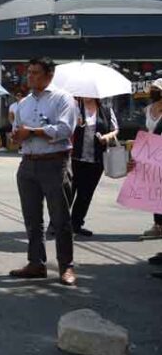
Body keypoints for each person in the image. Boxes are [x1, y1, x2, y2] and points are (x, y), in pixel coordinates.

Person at [8, 57, 79, 286]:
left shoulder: (63, 98)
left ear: (49, 75)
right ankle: (36, 263)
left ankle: (66, 266)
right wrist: (16, 136)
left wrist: (33, 132)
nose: (30, 77)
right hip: (28, 163)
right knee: (32, 219)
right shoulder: (24, 103)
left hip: (55, 163)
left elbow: (65, 129)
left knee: (60, 219)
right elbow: (18, 132)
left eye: (36, 73)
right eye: (28, 72)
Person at [68, 97, 118, 238]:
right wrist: (73, 124)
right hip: (75, 157)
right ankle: (58, 224)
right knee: (69, 192)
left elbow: (115, 129)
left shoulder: (106, 110)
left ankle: (76, 224)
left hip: (96, 159)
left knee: (85, 194)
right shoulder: (75, 108)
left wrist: (106, 137)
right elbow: (64, 127)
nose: (87, 95)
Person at [140, 79, 162, 242]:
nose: (152, 91)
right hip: (152, 153)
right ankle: (158, 225)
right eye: (152, 88)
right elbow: (148, 130)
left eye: (156, 89)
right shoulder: (148, 109)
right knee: (155, 191)